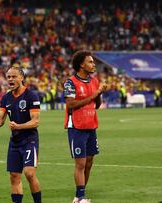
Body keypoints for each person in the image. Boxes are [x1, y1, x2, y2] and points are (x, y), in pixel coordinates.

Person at [0, 66, 42, 203]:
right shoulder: (6, 98)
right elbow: (1, 120)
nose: (10, 79)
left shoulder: (31, 95)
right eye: (9, 77)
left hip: (29, 140)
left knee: (29, 173)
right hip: (15, 141)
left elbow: (35, 122)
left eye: (14, 77)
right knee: (14, 176)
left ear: (21, 78)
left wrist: (19, 126)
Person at [63, 50, 107, 203]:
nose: (93, 64)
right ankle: (79, 197)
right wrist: (95, 95)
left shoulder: (94, 81)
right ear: (82, 64)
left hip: (91, 125)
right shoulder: (70, 82)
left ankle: (81, 193)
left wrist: (100, 93)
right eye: (90, 62)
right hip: (76, 126)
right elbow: (71, 104)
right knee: (80, 163)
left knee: (89, 161)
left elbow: (97, 105)